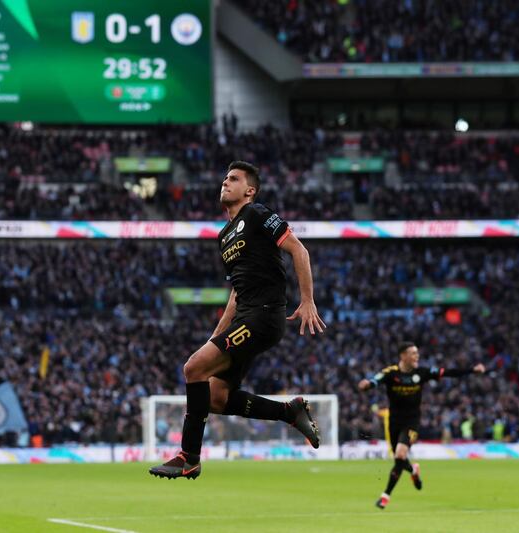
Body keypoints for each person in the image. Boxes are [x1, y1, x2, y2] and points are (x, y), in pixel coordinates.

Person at [149, 161, 326, 480]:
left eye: (233, 179)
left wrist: (308, 300)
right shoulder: (224, 235)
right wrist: (214, 337)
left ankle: (189, 456)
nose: (224, 182)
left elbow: (298, 251)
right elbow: (235, 294)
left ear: (250, 190)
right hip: (245, 315)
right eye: (224, 178)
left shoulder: (257, 214)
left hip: (265, 315)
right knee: (216, 397)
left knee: (193, 368)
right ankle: (289, 412)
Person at [358, 341, 485, 509]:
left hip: (412, 421)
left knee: (400, 455)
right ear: (403, 356)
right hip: (394, 422)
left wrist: (472, 370)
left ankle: (385, 496)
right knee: (399, 458)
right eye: (413, 353)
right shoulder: (391, 373)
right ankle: (413, 471)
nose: (416, 356)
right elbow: (375, 380)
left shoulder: (422, 372)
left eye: (417, 353)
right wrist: (366, 385)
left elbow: (447, 372)